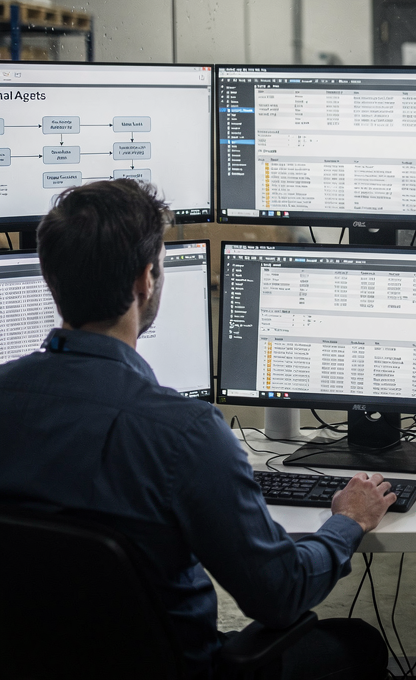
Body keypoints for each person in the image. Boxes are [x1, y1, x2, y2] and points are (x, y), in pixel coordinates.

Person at [0, 179, 392, 680]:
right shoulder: (183, 433)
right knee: (359, 644)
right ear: (146, 280)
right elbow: (279, 593)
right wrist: (348, 521)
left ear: (51, 278)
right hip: (175, 669)